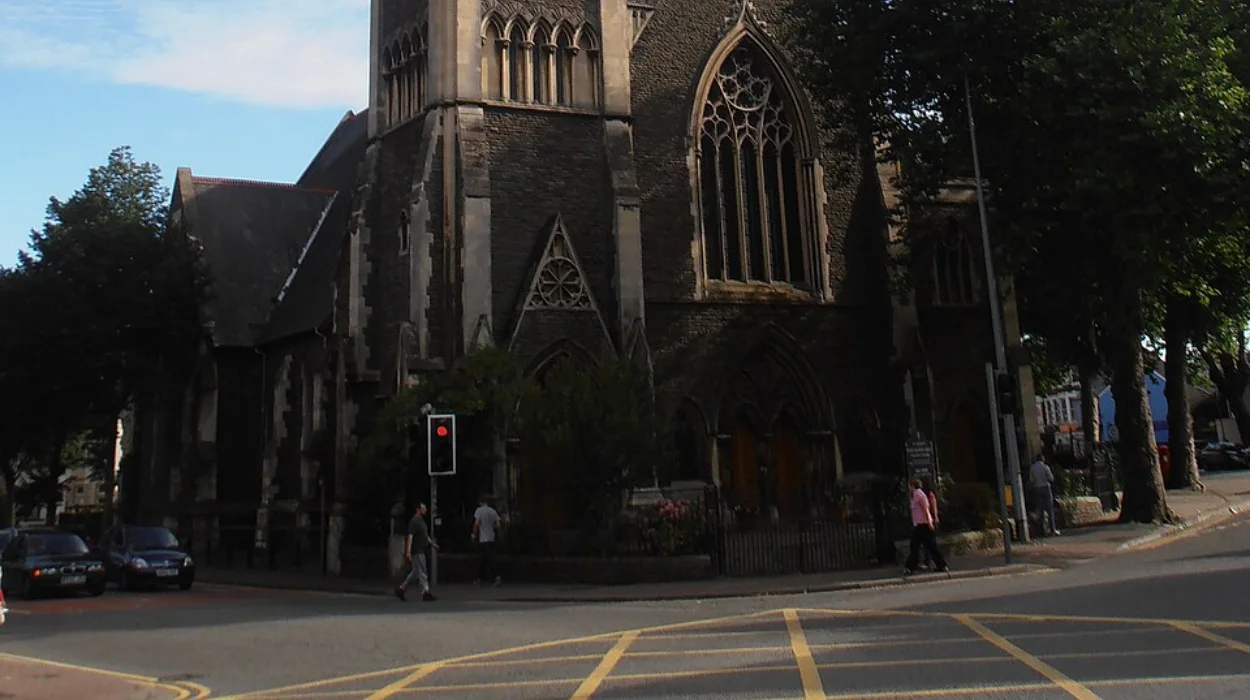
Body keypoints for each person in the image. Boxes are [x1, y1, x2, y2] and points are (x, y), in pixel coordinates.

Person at [395, 502, 438, 602]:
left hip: (421, 549)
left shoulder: (421, 521)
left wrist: (432, 544)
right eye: (423, 508)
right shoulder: (414, 521)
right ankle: (425, 592)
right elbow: (410, 536)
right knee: (422, 571)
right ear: (418, 509)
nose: (425, 510)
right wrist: (408, 551)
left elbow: (424, 535)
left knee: (415, 572)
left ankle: (401, 589)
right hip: (417, 550)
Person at [904, 478, 948, 575]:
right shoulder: (915, 495)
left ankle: (910, 567)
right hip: (920, 525)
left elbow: (926, 509)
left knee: (920, 546)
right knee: (925, 546)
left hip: (924, 525)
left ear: (912, 486)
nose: (908, 488)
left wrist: (930, 522)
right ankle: (941, 565)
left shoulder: (919, 494)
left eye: (909, 486)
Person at [472, 497, 502, 586]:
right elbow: (498, 525)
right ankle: (482, 578)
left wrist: (473, 534)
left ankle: (489, 577)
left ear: (481, 503)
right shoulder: (493, 511)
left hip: (483, 538)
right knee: (489, 558)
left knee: (484, 559)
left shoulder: (479, 511)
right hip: (491, 537)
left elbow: (476, 523)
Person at [1029, 454, 1060, 536]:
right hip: (1046, 487)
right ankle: (1052, 529)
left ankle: (1042, 530)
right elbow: (1051, 478)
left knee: (1040, 510)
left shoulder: (1032, 468)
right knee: (1050, 509)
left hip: (1037, 488)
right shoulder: (1046, 467)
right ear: (1043, 459)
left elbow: (1031, 480)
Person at [919, 478, 940, 570]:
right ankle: (928, 562)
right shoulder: (924, 495)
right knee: (927, 543)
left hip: (929, 520)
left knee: (930, 543)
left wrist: (935, 517)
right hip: (926, 520)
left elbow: (934, 507)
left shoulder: (930, 494)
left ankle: (929, 562)